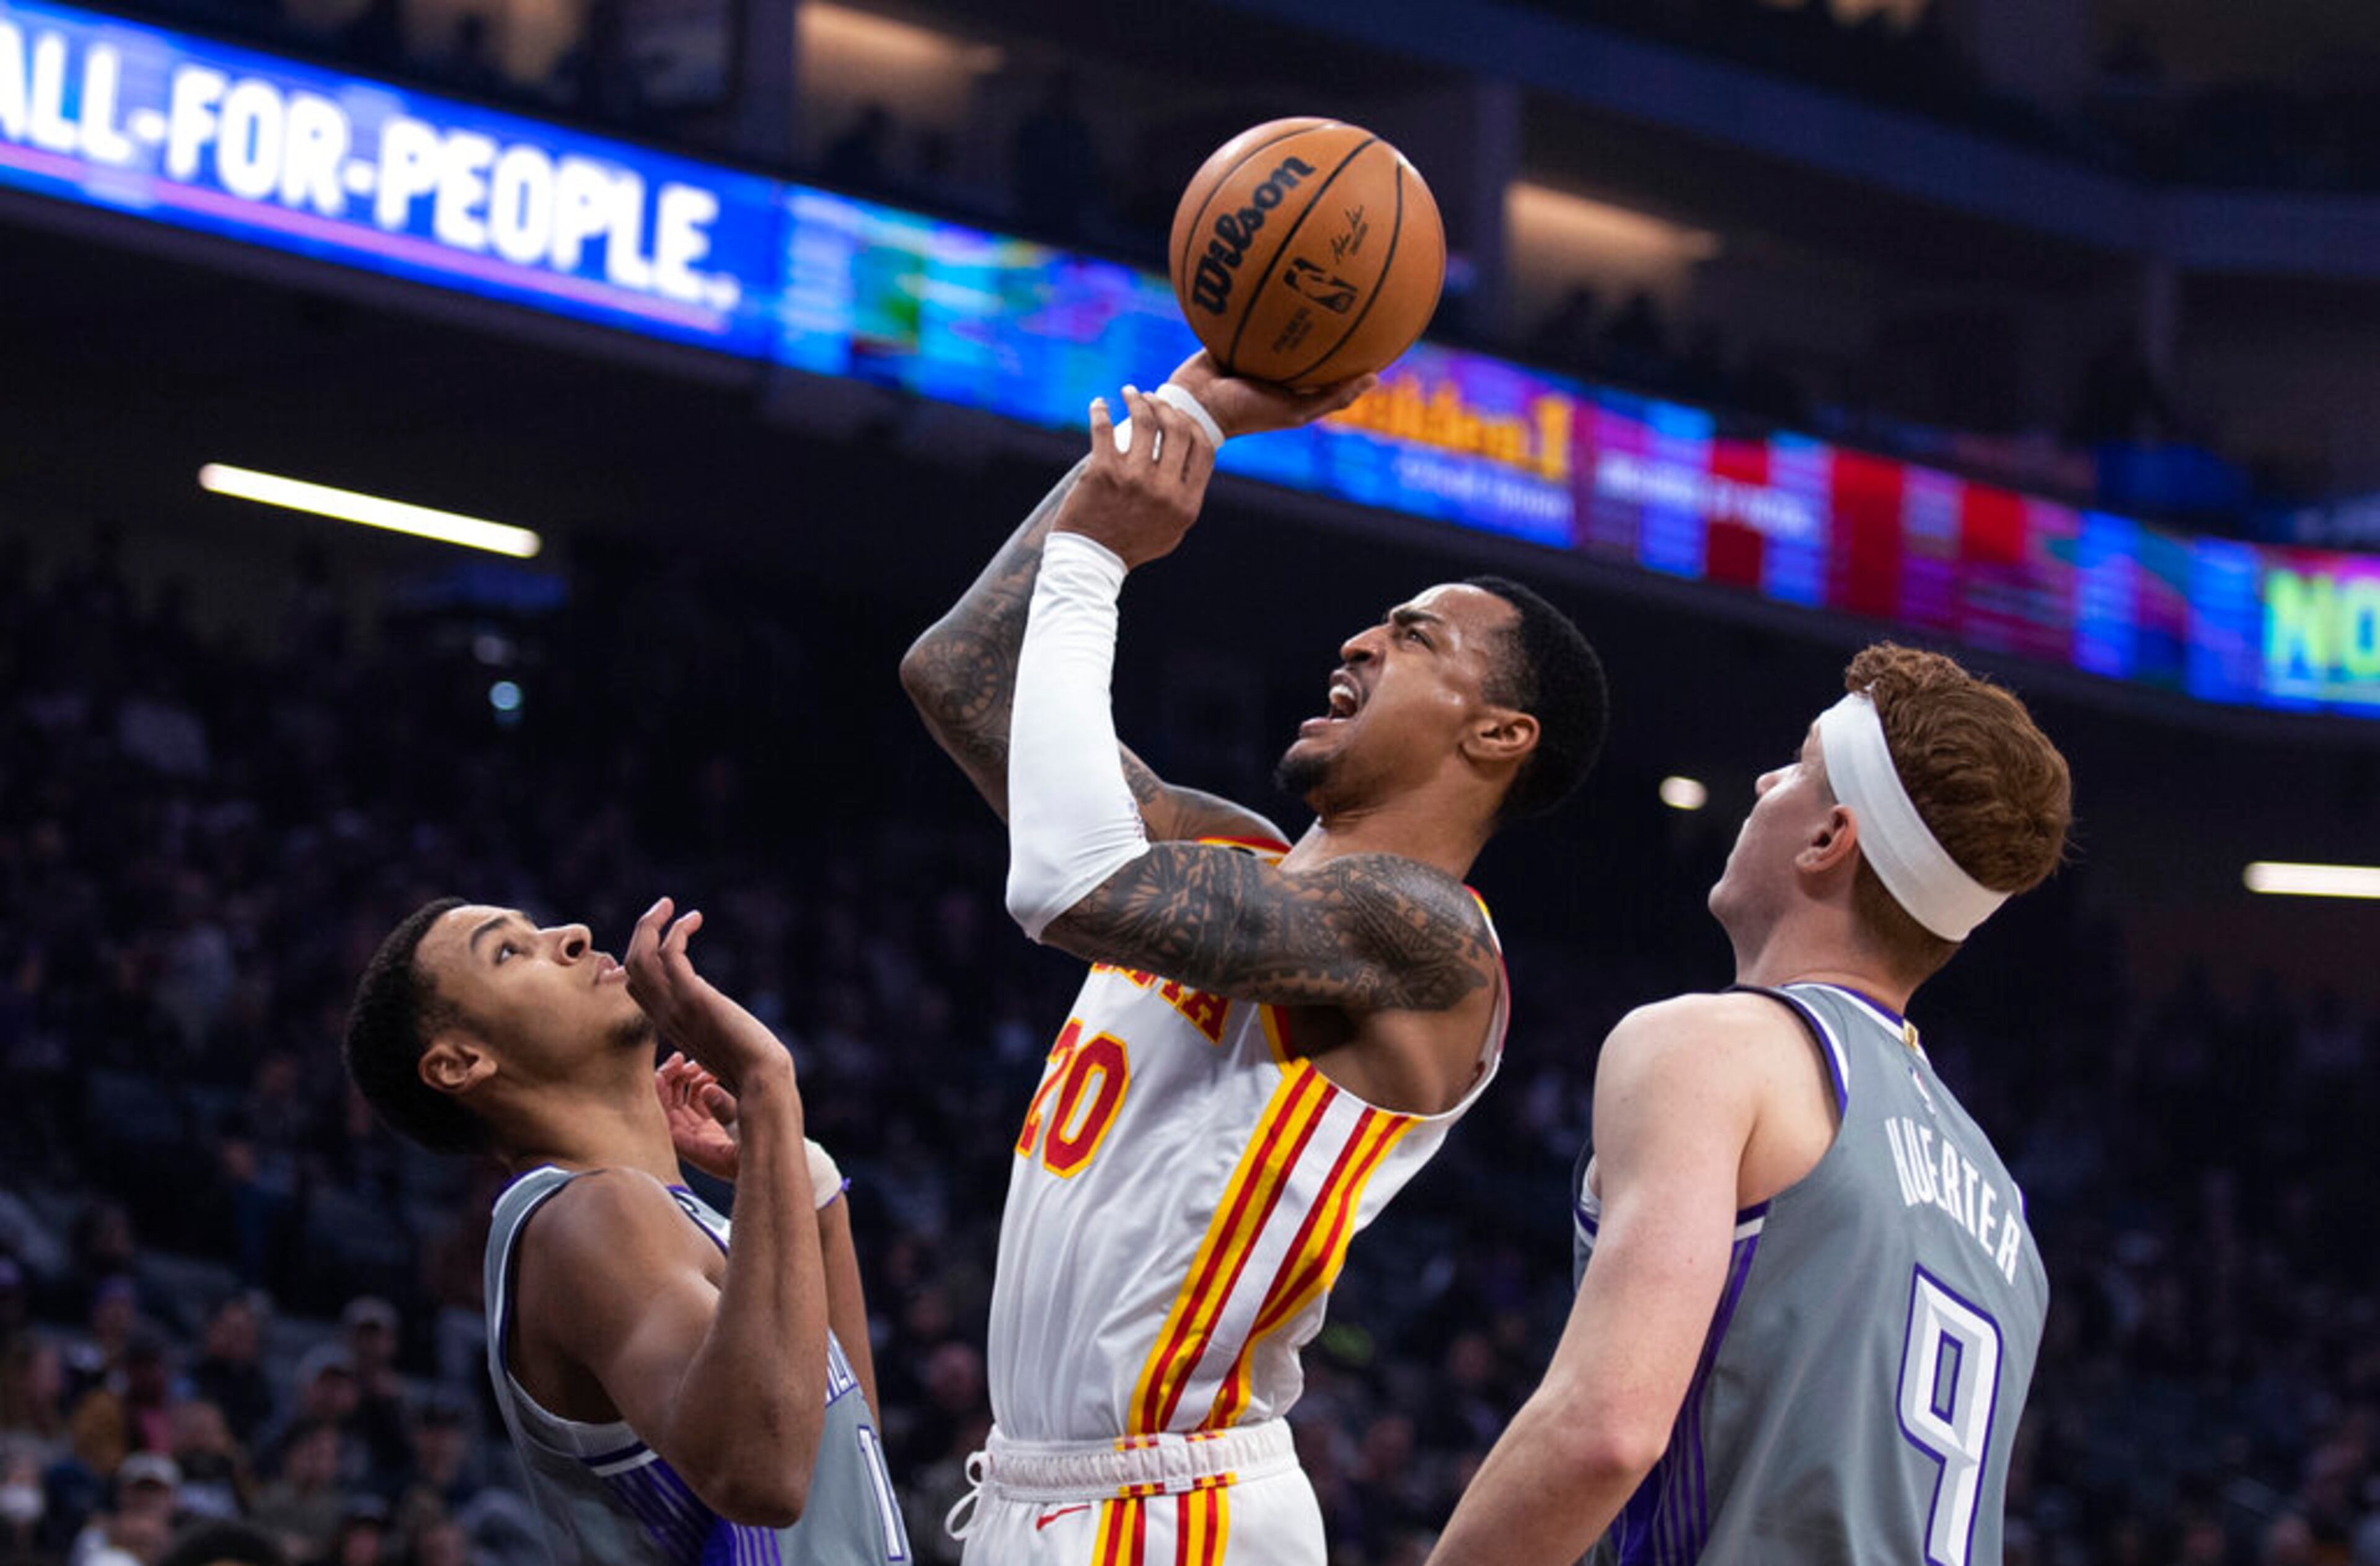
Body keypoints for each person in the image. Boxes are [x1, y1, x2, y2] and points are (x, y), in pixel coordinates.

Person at [899, 353, 1608, 1564]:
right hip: (1034, 1479)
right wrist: (1189, 417)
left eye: (1414, 636)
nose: (1359, 640)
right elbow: (961, 677)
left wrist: (1099, 559)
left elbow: (1066, 881)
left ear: (1499, 732)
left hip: (1176, 1508)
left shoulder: (1427, 936)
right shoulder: (1238, 855)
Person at [1426, 642, 2072, 1566]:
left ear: (1827, 839)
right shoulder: (2003, 1203)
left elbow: (1603, 1427)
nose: (1767, 777)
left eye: (1799, 767)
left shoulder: (1715, 1046)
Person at [342, 897, 906, 1564]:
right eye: (508, 952)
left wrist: (800, 1178)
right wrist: (765, 1083)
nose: (572, 935)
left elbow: (838, 1452)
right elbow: (761, 1473)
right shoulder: (586, 1216)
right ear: (460, 1062)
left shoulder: (651, 1216)